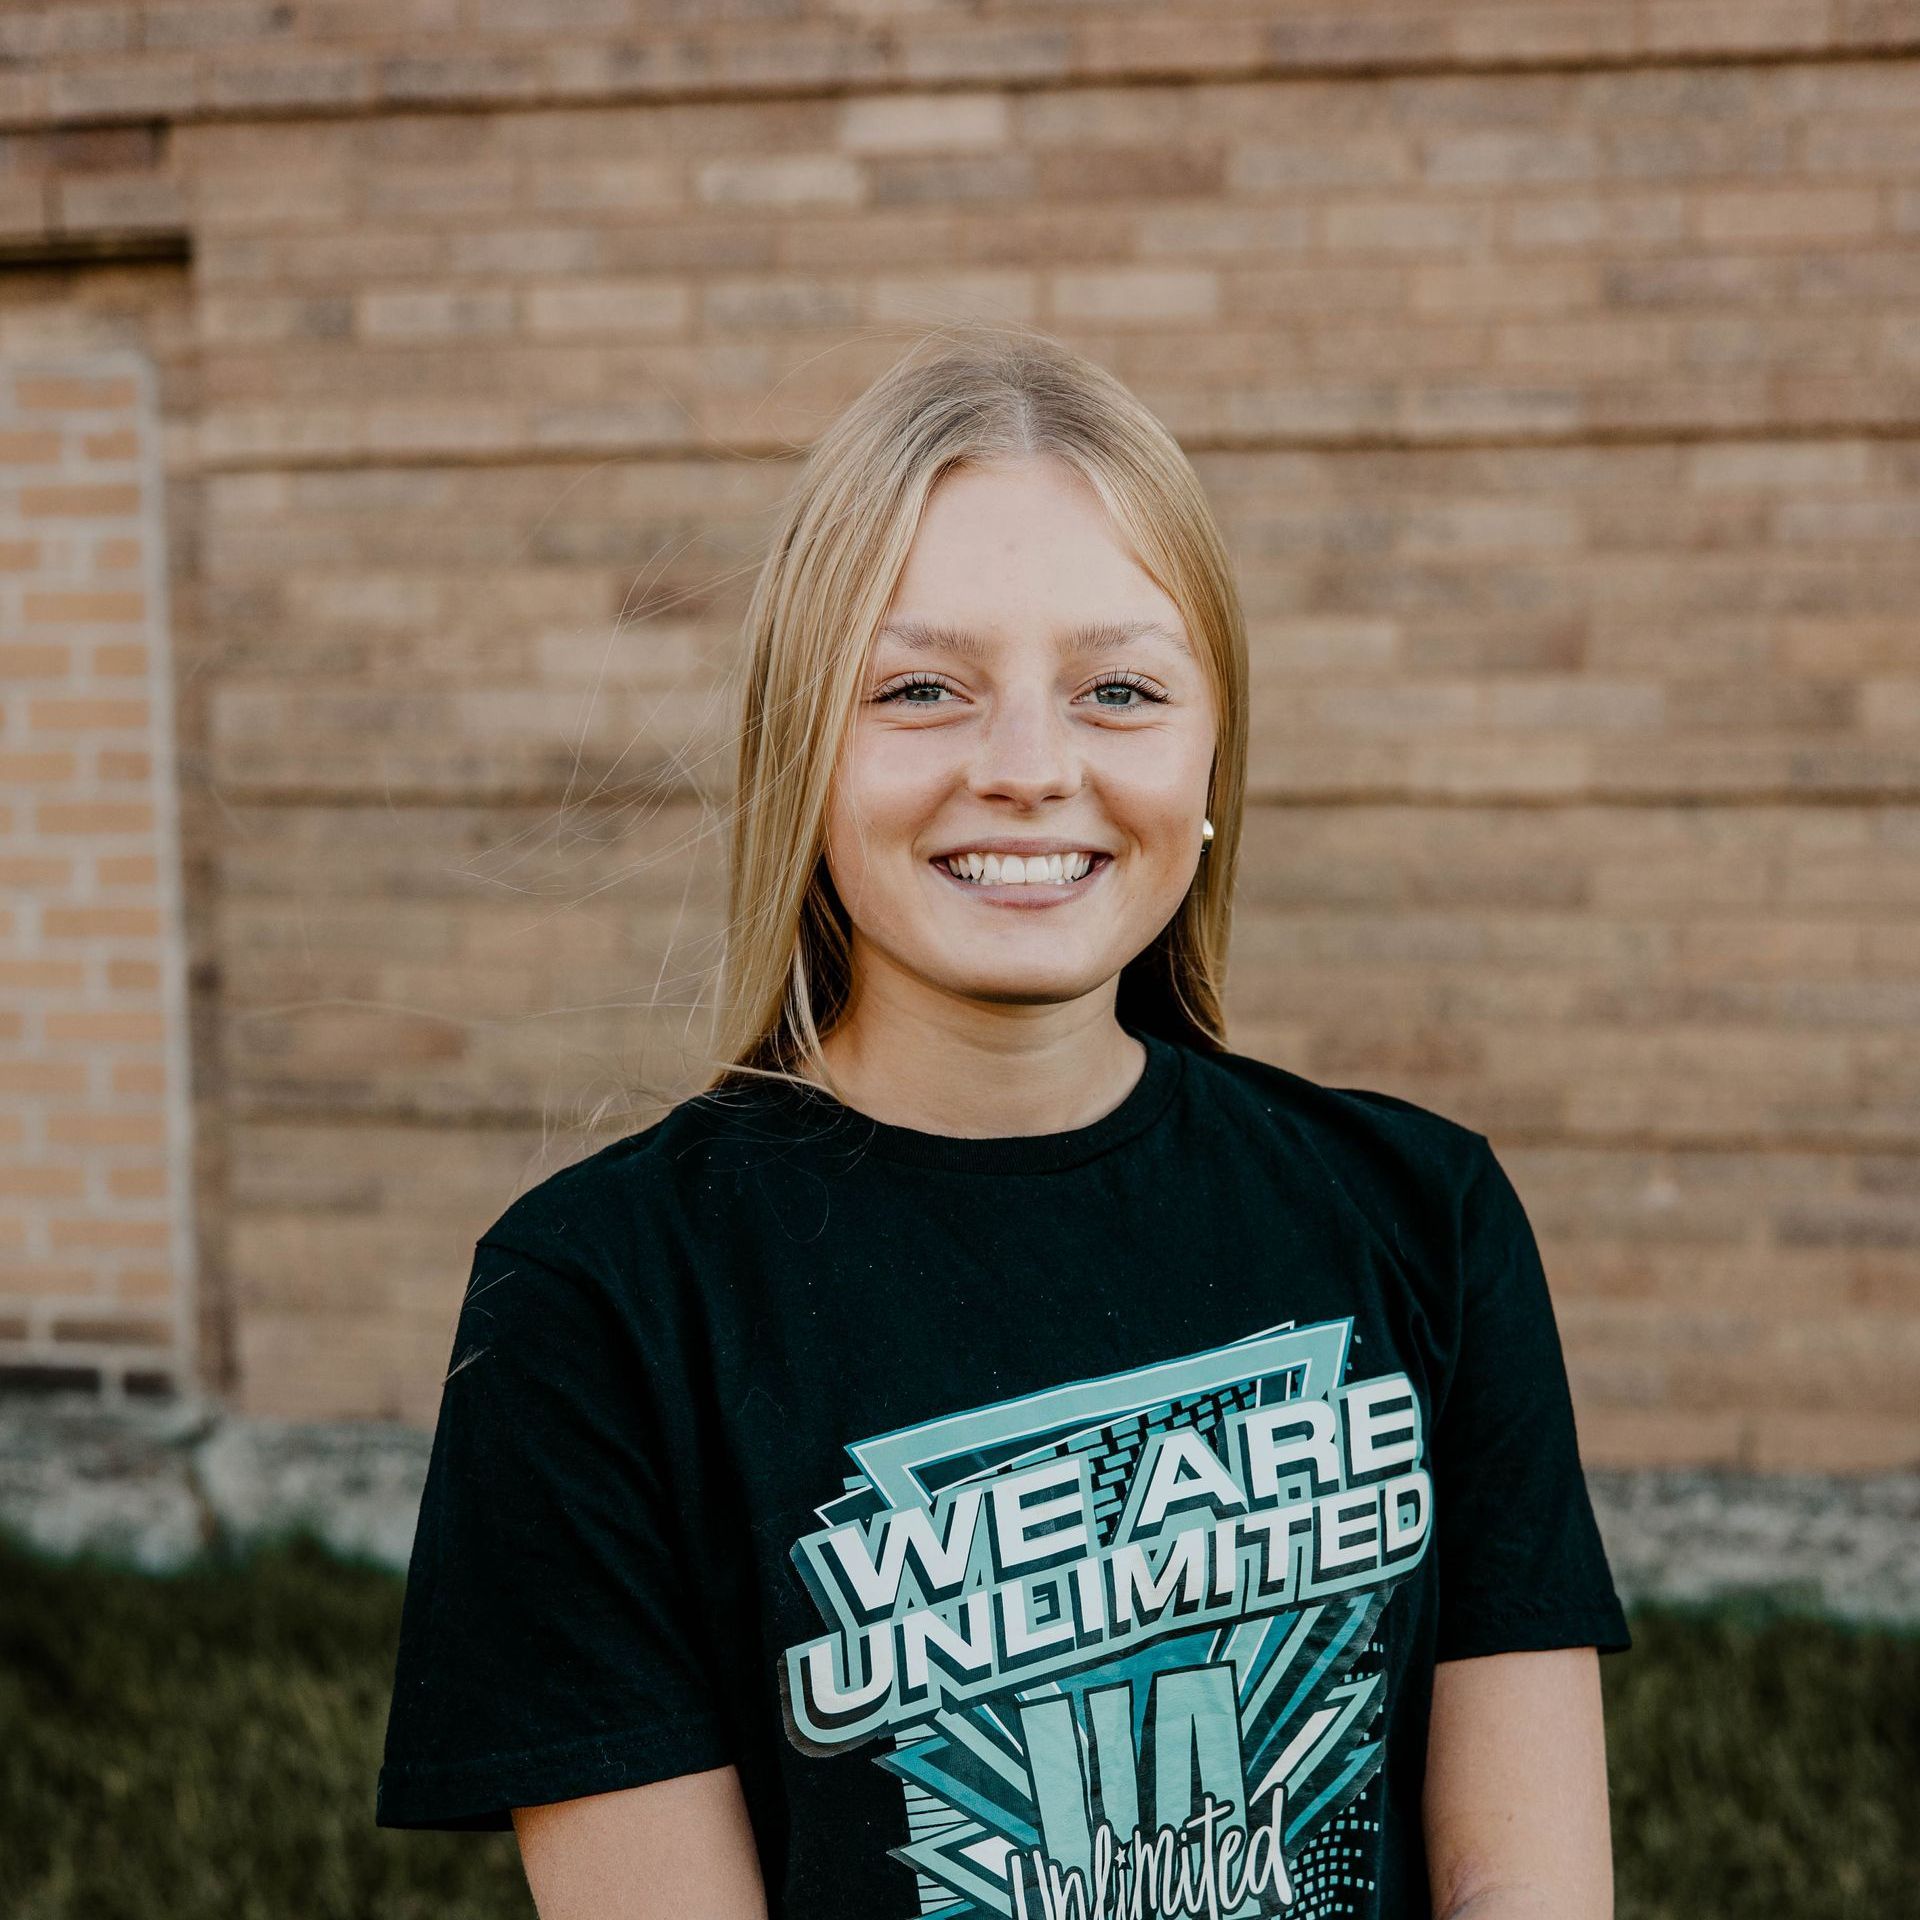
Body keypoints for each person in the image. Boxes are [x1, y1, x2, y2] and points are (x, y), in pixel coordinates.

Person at [375, 322, 1631, 1920]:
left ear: (1212, 754)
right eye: (921, 688)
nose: (1030, 768)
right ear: (802, 749)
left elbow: (1523, 1880)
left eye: (1119, 689)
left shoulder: (1425, 1217)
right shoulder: (595, 1304)